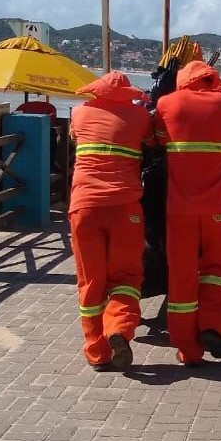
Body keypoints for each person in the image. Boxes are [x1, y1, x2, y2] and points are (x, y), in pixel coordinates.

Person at [154, 60, 221, 366]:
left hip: (179, 210)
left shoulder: (166, 104)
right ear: (213, 79)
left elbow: (157, 140)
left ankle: (187, 349)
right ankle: (211, 326)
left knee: (182, 275)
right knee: (216, 270)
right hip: (217, 209)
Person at [68, 72, 154, 371]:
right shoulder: (140, 115)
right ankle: (119, 328)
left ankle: (97, 352)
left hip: (85, 207)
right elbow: (153, 141)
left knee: (91, 282)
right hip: (125, 208)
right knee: (127, 277)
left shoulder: (79, 114)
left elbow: (74, 138)